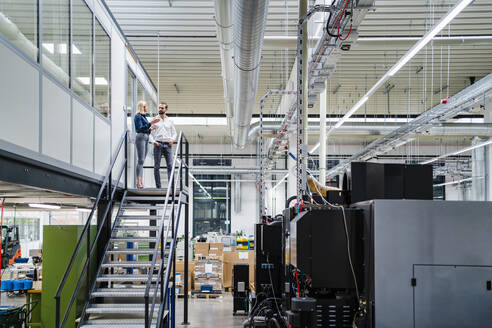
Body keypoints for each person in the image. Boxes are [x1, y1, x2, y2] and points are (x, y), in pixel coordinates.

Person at [150, 102, 177, 188]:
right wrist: (153, 141)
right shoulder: (155, 120)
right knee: (156, 166)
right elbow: (148, 132)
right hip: (158, 144)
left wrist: (172, 140)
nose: (160, 109)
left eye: (162, 108)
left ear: (166, 109)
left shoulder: (170, 121)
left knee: (170, 166)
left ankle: (171, 186)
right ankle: (158, 186)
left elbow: (174, 133)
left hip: (168, 145)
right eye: (159, 108)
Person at [134, 101, 160, 189]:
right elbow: (139, 129)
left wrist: (151, 128)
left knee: (142, 161)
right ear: (142, 107)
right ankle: (138, 182)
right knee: (140, 160)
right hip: (141, 137)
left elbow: (145, 129)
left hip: (146, 137)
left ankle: (140, 181)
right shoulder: (137, 116)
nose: (147, 108)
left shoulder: (143, 117)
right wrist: (151, 123)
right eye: (146, 106)